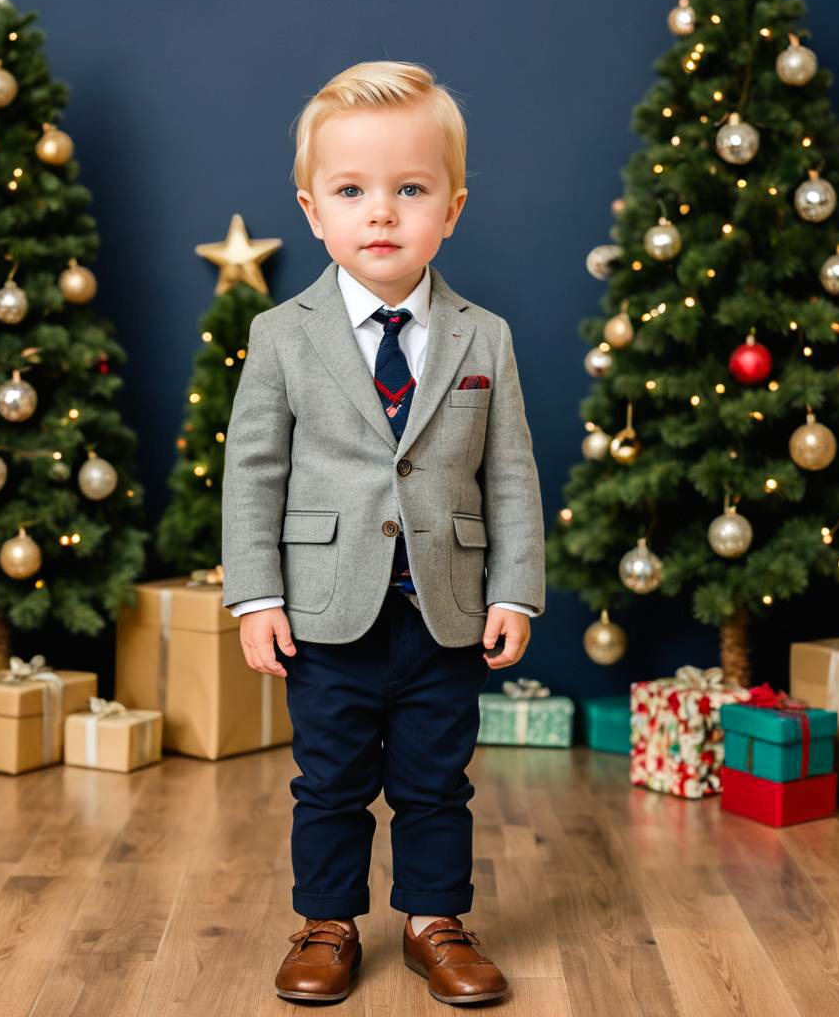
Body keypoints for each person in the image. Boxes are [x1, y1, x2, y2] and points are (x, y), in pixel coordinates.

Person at [221, 59, 545, 1006]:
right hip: (326, 610)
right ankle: (326, 922)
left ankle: (433, 922)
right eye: (353, 191)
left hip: (442, 609)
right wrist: (258, 595)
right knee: (329, 780)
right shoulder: (283, 334)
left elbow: (512, 473)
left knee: (437, 781)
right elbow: (254, 473)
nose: (382, 214)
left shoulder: (484, 337)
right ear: (313, 210)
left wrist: (514, 589)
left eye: (410, 191)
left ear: (451, 209)